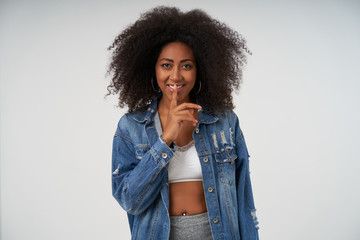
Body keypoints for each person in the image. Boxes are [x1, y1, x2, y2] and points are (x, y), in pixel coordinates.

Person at [107, 6, 259, 240]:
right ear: (153, 68)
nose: (176, 75)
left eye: (186, 65)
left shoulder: (225, 122)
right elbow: (130, 201)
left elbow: (243, 200)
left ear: (201, 70)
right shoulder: (131, 127)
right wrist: (165, 140)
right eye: (166, 65)